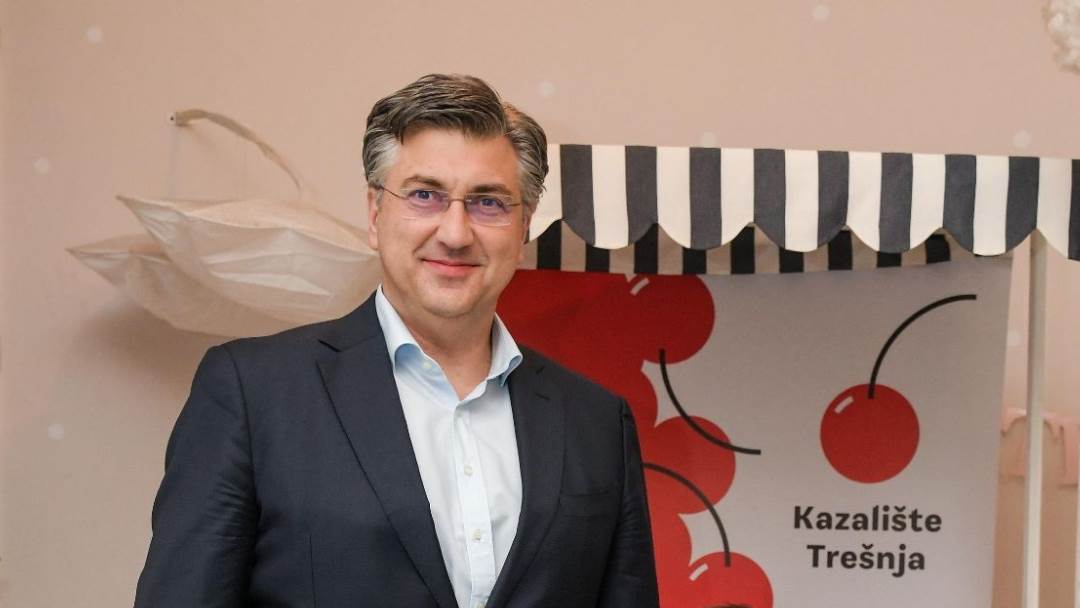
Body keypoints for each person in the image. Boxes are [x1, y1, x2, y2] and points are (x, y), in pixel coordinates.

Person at [134, 74, 659, 608]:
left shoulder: (597, 422)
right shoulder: (253, 393)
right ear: (375, 213)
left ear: (523, 228)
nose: (455, 233)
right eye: (424, 195)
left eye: (488, 202)